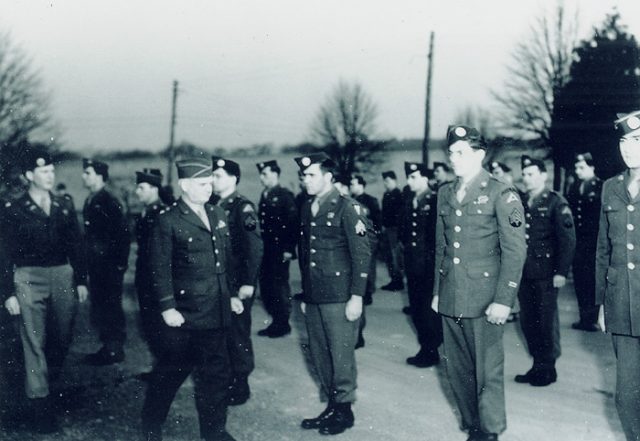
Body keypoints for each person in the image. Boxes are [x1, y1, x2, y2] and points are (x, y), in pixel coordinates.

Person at [431, 125, 527, 441]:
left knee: (488, 372)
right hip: (451, 293)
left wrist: (504, 300)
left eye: (462, 153)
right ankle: (473, 425)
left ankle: (490, 430)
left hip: (486, 298)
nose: (454, 159)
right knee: (457, 370)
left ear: (480, 155)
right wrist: (436, 291)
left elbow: (515, 251)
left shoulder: (501, 193)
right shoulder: (445, 192)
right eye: (451, 153)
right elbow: (441, 247)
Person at [141, 158, 239, 441]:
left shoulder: (217, 213)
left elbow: (225, 261)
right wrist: (168, 307)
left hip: (216, 312)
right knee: (170, 375)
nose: (209, 189)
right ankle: (150, 427)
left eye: (210, 183)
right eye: (202, 184)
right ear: (184, 185)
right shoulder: (168, 220)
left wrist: (230, 295)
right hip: (184, 316)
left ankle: (214, 433)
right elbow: (158, 268)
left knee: (216, 378)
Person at [1, 148, 88, 433]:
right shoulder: (13, 209)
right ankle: (40, 406)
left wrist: (82, 280)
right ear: (29, 176)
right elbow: (3, 252)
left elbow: (76, 244)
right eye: (44, 172)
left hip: (62, 274)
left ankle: (45, 386)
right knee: (32, 341)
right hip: (28, 277)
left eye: (52, 171)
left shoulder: (64, 204)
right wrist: (7, 292)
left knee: (61, 338)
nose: (50, 176)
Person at [295, 153, 371, 436]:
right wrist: (305, 295)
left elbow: (362, 255)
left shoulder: (348, 208)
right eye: (304, 176)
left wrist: (357, 296)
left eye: (311, 175)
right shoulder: (307, 207)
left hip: (340, 296)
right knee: (320, 354)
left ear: (328, 176)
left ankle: (344, 410)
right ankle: (332, 405)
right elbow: (306, 255)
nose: (306, 181)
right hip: (315, 295)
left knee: (340, 356)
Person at [595, 110, 640, 441]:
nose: (628, 147)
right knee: (626, 396)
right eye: (624, 140)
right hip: (622, 305)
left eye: (636, 140)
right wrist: (602, 304)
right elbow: (603, 251)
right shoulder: (611, 188)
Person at [515, 156, 575, 387]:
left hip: (547, 273)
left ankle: (548, 367)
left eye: (531, 174)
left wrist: (561, 272)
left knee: (546, 321)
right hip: (525, 272)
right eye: (525, 174)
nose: (527, 178)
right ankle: (537, 364)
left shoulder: (555, 202)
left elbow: (567, 240)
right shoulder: (520, 201)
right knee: (528, 320)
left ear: (543, 175)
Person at [211, 156, 263, 406]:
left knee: (237, 333)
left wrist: (248, 282)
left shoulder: (243, 208)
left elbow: (254, 247)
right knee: (220, 332)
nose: (213, 180)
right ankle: (225, 379)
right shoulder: (212, 204)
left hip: (237, 283)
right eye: (212, 175)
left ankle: (240, 383)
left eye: (218, 176)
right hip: (217, 283)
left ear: (233, 179)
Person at [81, 158, 130, 365]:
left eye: (88, 173)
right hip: (98, 265)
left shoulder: (108, 201)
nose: (84, 176)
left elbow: (122, 234)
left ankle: (114, 349)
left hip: (109, 266)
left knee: (111, 306)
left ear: (100, 176)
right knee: (101, 305)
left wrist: (119, 264)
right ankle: (107, 347)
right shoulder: (91, 199)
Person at [400, 162, 442, 367]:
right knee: (416, 308)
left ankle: (431, 349)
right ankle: (426, 347)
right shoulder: (409, 200)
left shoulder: (434, 200)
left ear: (426, 178)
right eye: (408, 177)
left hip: (428, 265)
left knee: (428, 310)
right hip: (413, 264)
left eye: (414, 177)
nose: (409, 181)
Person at [256, 160, 298, 337]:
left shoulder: (284, 195)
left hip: (280, 249)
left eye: (265, 174)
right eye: (261, 174)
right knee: (267, 285)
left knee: (279, 285)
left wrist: (289, 248)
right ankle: (275, 320)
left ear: (275, 174)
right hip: (267, 249)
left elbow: (293, 224)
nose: (261, 178)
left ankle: (282, 322)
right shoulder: (265, 194)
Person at [566, 152, 602, 332]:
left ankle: (593, 318)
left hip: (594, 243)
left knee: (592, 281)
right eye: (576, 168)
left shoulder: (601, 187)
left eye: (582, 168)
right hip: (578, 243)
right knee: (580, 280)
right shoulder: (574, 187)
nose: (578, 171)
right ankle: (584, 318)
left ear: (592, 167)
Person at [134, 168, 166, 360]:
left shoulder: (161, 213)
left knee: (158, 323)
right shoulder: (146, 212)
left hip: (155, 278)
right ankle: (159, 368)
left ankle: (162, 370)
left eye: (141, 187)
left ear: (154, 189)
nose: (137, 191)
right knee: (150, 323)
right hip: (145, 276)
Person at [349, 175, 381, 305]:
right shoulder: (349, 200)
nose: (351, 186)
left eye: (353, 184)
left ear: (361, 185)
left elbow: (377, 220)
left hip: (368, 238)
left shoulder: (370, 201)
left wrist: (375, 237)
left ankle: (368, 291)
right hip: (355, 238)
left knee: (369, 266)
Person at [380, 171, 405, 291]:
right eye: (384, 181)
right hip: (387, 229)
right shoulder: (386, 194)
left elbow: (401, 215)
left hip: (395, 229)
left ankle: (398, 281)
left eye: (388, 181)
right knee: (389, 256)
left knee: (396, 256)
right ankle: (393, 280)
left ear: (395, 181)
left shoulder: (399, 194)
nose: (386, 183)